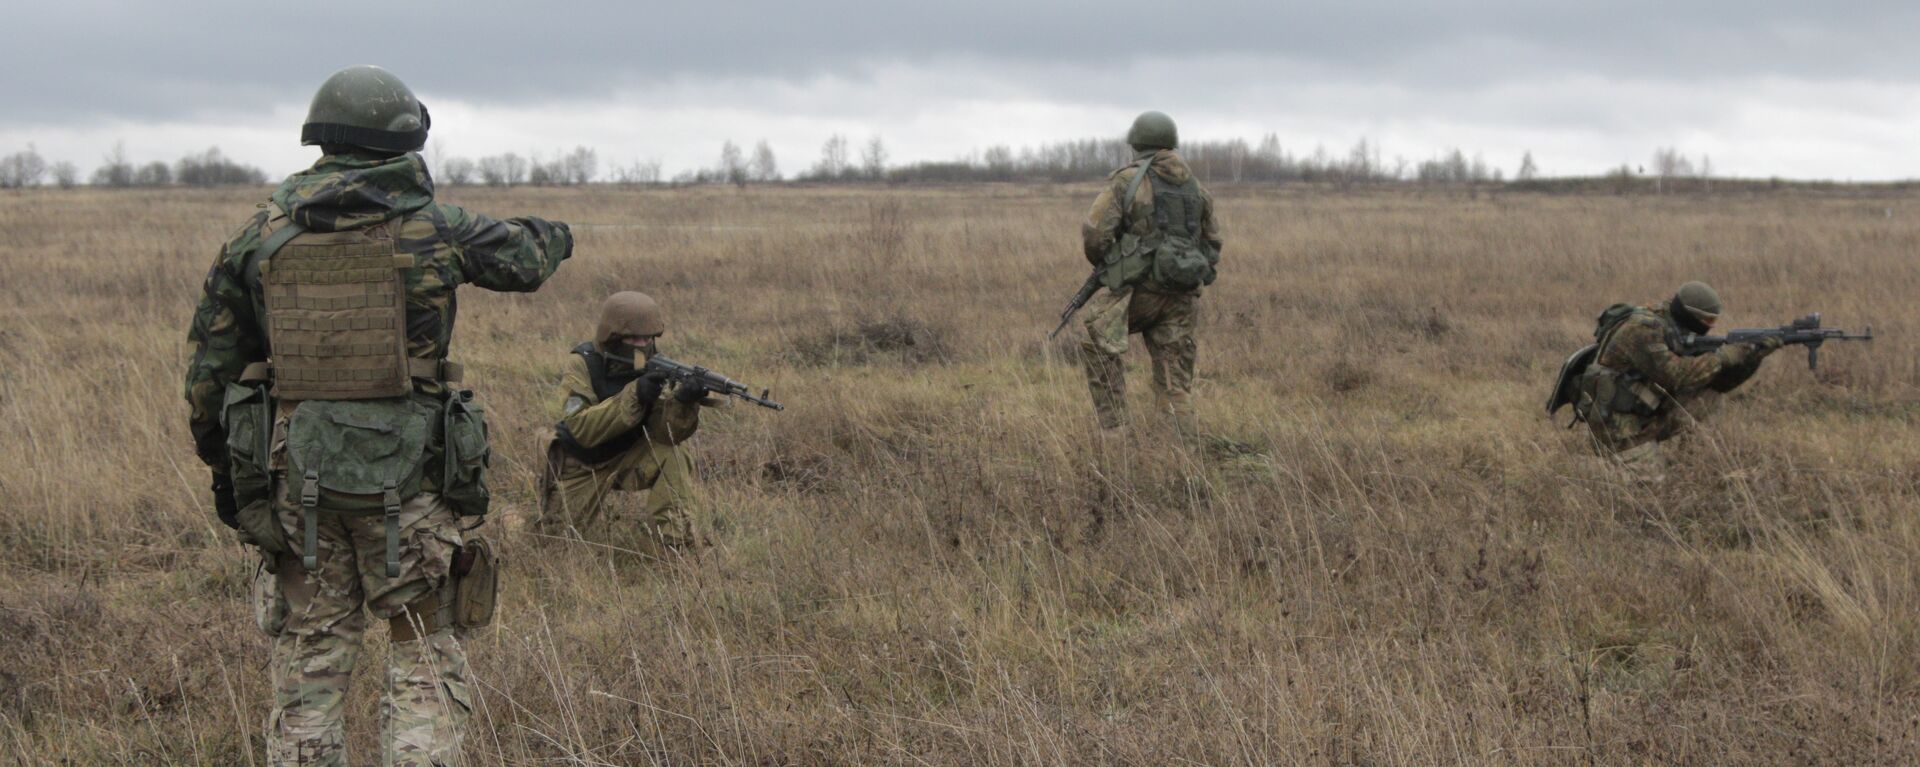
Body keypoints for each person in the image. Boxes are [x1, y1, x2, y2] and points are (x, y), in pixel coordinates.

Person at [183, 65, 573, 765]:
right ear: (403, 140)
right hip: (415, 484)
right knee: (423, 653)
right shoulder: (437, 229)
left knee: (309, 665)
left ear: (322, 139)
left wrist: (231, 485)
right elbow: (528, 258)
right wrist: (557, 230)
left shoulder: (258, 239)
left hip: (297, 479)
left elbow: (209, 379)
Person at [1078, 110, 1224, 436]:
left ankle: (1115, 435)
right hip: (1182, 295)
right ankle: (1180, 451)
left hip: (1136, 293)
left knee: (1099, 343)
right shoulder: (1196, 188)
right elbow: (1213, 243)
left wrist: (1113, 263)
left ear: (1137, 143)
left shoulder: (1127, 182)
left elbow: (1095, 235)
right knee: (1174, 376)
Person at [536, 291, 712, 557]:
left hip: (628, 457)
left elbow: (665, 435)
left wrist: (682, 403)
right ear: (612, 336)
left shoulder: (654, 363)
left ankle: (677, 547)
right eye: (633, 338)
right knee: (554, 546)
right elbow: (582, 428)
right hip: (583, 464)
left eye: (647, 338)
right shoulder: (583, 363)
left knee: (674, 454)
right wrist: (634, 394)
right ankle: (509, 520)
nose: (641, 345)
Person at [1577, 281, 1782, 482]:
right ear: (1690, 314)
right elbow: (1675, 375)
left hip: (1646, 415)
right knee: (1651, 482)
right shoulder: (1643, 329)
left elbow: (1720, 384)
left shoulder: (1676, 326)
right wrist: (1722, 357)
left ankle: (1691, 460)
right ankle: (1585, 466)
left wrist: (1753, 357)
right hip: (1618, 427)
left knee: (1710, 396)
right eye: (1707, 320)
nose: (1711, 326)